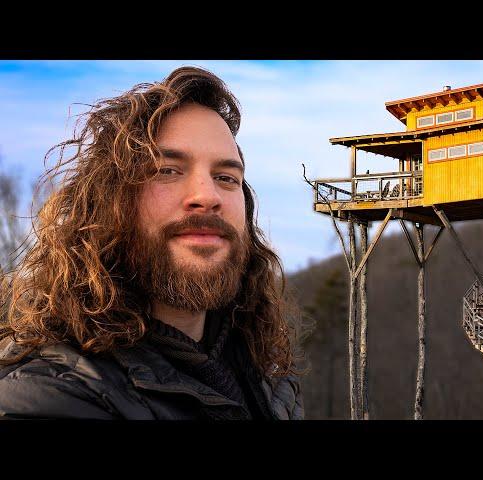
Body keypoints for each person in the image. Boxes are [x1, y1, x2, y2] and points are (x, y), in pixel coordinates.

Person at [0, 66, 306, 420]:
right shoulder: (50, 396)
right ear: (108, 204)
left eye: (226, 177)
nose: (207, 196)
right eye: (167, 170)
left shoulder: (269, 378)